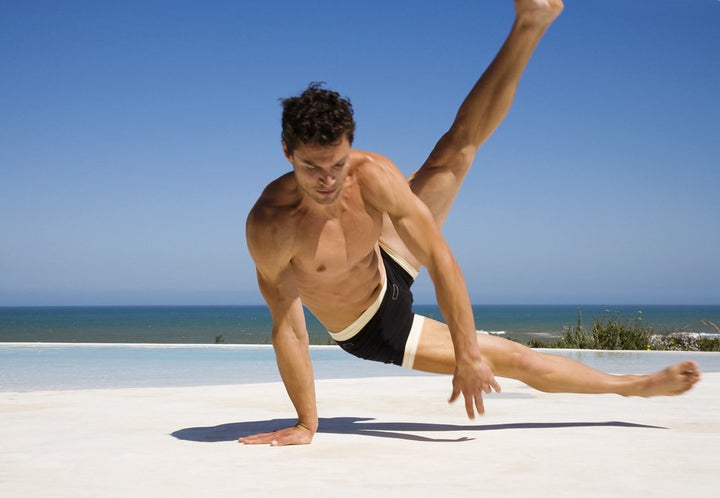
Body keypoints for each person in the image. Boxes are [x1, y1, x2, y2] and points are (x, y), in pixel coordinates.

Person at [242, 0, 700, 446]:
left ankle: (530, 22)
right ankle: (635, 385)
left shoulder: (372, 174)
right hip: (373, 324)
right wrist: (306, 422)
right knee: (518, 360)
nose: (327, 180)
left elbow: (439, 257)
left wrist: (466, 350)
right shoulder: (271, 227)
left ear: (351, 147)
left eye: (337, 164)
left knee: (457, 148)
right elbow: (289, 327)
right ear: (287, 153)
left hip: (382, 257)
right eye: (311, 168)